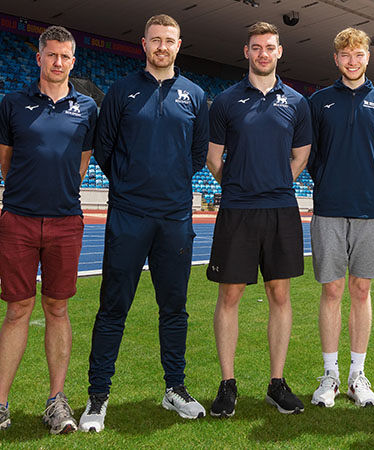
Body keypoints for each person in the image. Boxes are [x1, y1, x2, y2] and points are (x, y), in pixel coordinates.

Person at [79, 14, 209, 432]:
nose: (162, 46)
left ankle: (175, 389)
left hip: (174, 219)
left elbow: (195, 156)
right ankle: (98, 397)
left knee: (174, 309)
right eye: (156, 40)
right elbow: (104, 148)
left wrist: (168, 187)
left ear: (179, 44)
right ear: (143, 44)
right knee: (113, 307)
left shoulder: (194, 95)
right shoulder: (121, 91)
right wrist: (132, 186)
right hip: (129, 216)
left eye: (169, 40)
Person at [205, 22, 311, 417]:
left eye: (269, 47)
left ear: (279, 51)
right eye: (256, 47)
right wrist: (240, 184)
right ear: (246, 51)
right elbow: (214, 157)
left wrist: (275, 183)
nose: (263, 53)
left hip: (281, 210)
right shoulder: (226, 101)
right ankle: (228, 384)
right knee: (229, 296)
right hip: (237, 210)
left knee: (279, 296)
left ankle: (277, 383)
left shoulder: (298, 103)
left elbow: (300, 157)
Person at [0, 26, 97, 435]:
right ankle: (0, 403)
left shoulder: (88, 108)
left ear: (74, 62)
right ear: (38, 58)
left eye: (65, 56)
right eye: (51, 55)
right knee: (17, 310)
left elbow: (81, 165)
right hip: (19, 220)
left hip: (64, 221)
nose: (58, 62)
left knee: (57, 309)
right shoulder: (12, 104)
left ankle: (56, 403)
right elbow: (6, 163)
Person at [307, 27, 374, 408]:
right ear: (336, 59)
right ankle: (329, 375)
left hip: (371, 211)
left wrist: (369, 183)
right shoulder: (319, 102)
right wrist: (331, 181)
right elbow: (312, 155)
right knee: (332, 290)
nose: (352, 60)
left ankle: (356, 375)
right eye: (345, 54)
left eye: (358, 54)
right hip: (329, 207)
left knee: (362, 291)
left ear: (367, 57)